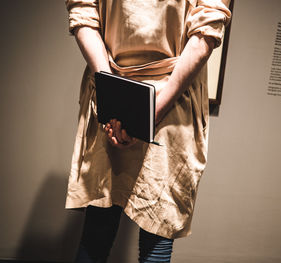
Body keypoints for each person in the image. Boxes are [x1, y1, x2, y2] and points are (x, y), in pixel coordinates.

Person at [65, 0, 231, 262]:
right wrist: (142, 112)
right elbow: (205, 33)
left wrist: (115, 97)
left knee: (104, 227)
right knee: (153, 232)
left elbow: (84, 14)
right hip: (170, 96)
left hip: (137, 90)